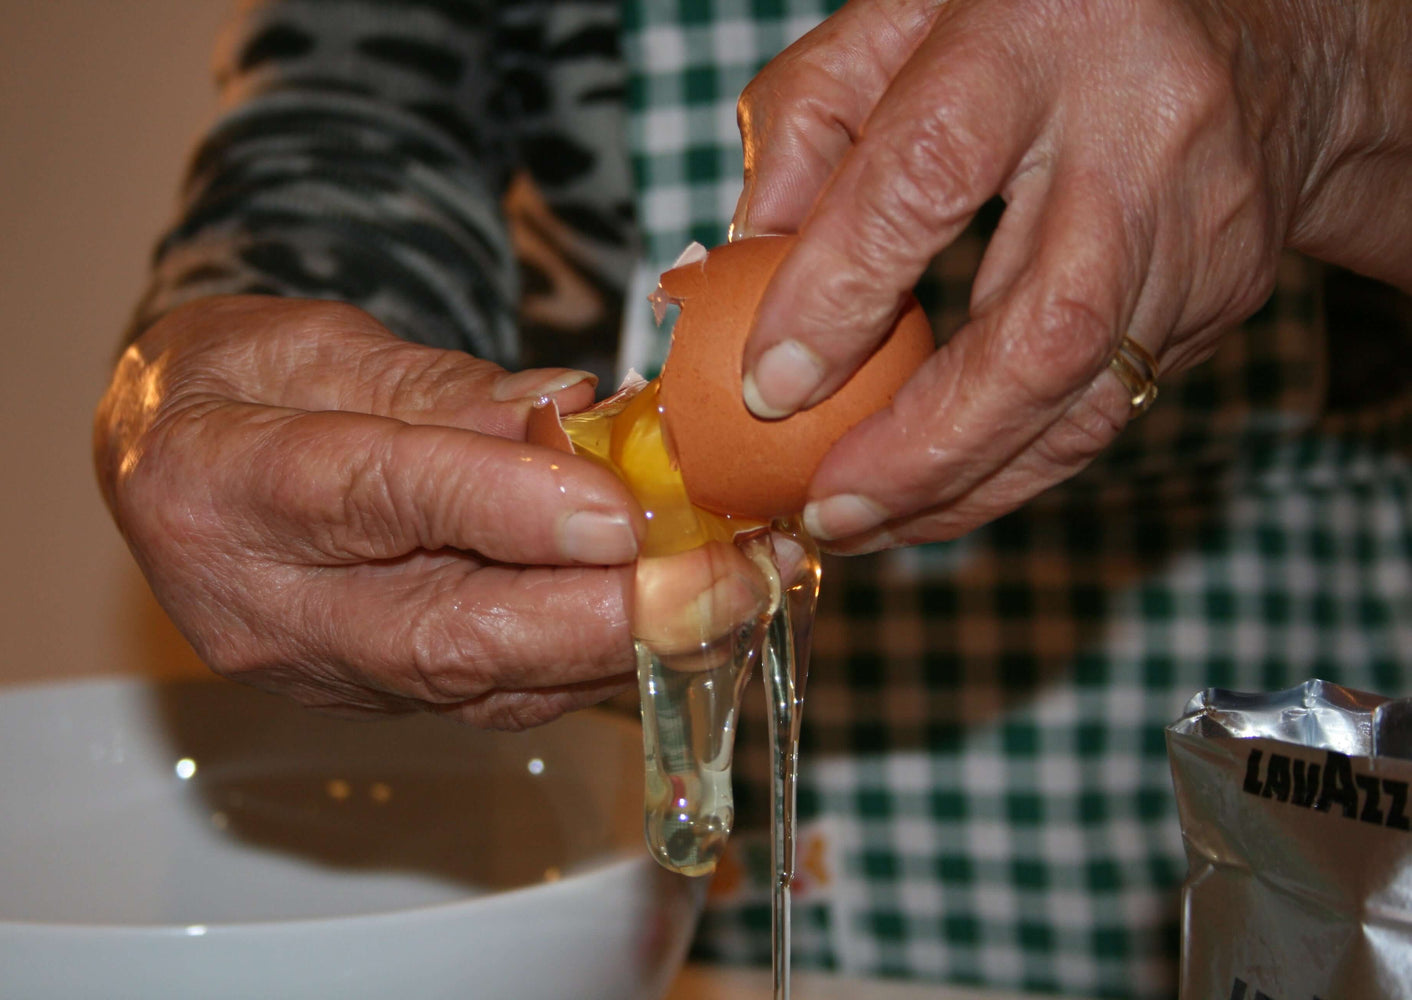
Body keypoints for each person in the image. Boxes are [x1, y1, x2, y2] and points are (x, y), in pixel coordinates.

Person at [95, 0, 1412, 995]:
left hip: (1255, 784)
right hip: (643, 804)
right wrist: (204, 368)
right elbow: (346, 120)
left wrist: (1318, 59)